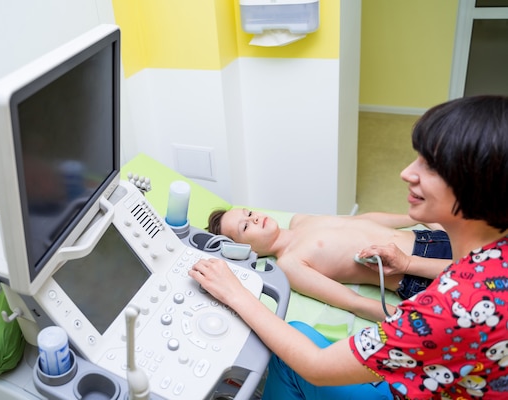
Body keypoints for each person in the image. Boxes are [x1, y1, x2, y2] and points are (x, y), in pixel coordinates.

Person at [189, 95, 508, 399]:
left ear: (478, 184)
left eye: (431, 165)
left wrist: (235, 293)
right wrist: (410, 259)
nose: (406, 172)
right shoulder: (492, 259)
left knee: (284, 358)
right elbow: (348, 299)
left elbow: (317, 368)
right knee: (295, 330)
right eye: (245, 226)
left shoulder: (444, 309)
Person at [207, 208, 451, 320]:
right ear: (243, 250)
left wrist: (415, 217)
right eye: (246, 226)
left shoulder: (300, 220)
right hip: (418, 278)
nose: (255, 217)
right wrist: (404, 320)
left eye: (249, 213)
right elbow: (350, 301)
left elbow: (360, 221)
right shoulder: (290, 264)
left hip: (430, 239)